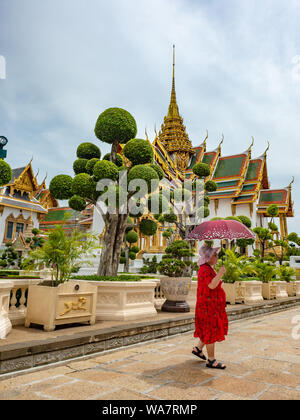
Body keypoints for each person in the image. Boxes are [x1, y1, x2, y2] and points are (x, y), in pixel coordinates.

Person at [192, 244, 228, 369]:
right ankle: (211, 360)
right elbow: (211, 286)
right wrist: (220, 274)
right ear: (208, 257)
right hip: (207, 306)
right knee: (210, 331)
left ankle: (198, 349)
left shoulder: (207, 268)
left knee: (207, 329)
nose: (217, 257)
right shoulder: (205, 270)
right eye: (214, 255)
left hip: (209, 305)